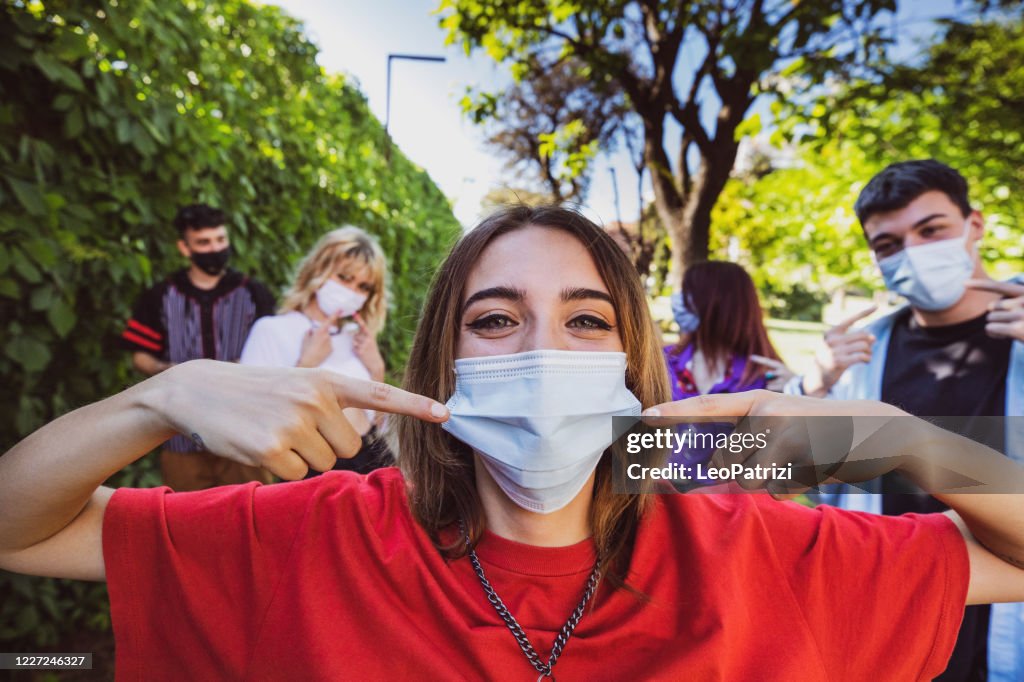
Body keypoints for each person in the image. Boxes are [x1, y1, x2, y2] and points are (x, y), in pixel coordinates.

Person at [2, 205, 1024, 680]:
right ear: (439, 360)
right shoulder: (315, 532)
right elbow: (18, 529)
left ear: (634, 358)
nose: (542, 345)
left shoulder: (756, 546)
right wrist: (157, 401)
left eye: (586, 320)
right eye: (495, 319)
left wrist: (895, 435)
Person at [788, 160, 1024, 681]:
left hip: (1006, 618)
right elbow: (782, 472)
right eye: (889, 244)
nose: (913, 253)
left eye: (932, 229)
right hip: (896, 614)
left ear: (975, 225)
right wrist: (815, 386)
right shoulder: (860, 357)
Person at [119, 203, 276, 491]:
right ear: (184, 247)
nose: (214, 248)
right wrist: (167, 369)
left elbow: (276, 353)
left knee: (254, 511)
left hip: (245, 428)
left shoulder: (254, 293)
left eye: (220, 240)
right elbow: (140, 357)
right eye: (203, 242)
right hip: (179, 430)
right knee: (184, 519)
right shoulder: (161, 296)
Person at [239, 226, 392, 474]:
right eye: (344, 277)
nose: (352, 291)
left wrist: (376, 369)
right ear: (318, 270)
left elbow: (378, 424)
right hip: (315, 470)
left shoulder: (357, 338)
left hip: (374, 459)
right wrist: (305, 365)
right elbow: (254, 423)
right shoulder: (271, 330)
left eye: (363, 287)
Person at [666, 260, 793, 400]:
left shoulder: (762, 376)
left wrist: (794, 394)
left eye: (688, 292)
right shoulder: (663, 362)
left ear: (718, 305)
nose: (679, 300)